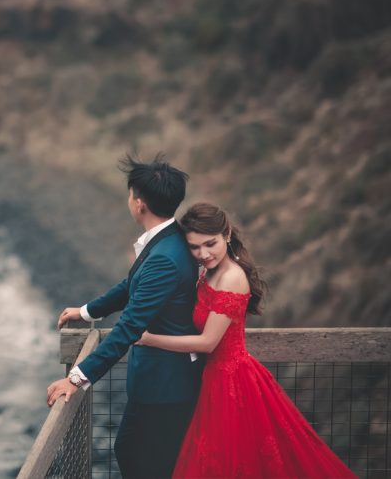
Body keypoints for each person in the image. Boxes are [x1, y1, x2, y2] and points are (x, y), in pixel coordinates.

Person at [137, 203, 355, 478]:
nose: (203, 254)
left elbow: (207, 343)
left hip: (233, 381)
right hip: (213, 378)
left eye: (210, 244)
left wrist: (148, 339)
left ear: (227, 234)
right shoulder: (209, 271)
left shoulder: (232, 278)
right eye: (194, 247)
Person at [48, 153, 203, 478]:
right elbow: (132, 284)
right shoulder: (168, 239)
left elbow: (129, 325)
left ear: (139, 202)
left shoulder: (165, 256)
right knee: (137, 453)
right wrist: (87, 311)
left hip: (166, 385)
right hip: (160, 381)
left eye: (130, 195)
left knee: (143, 458)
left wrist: (76, 378)